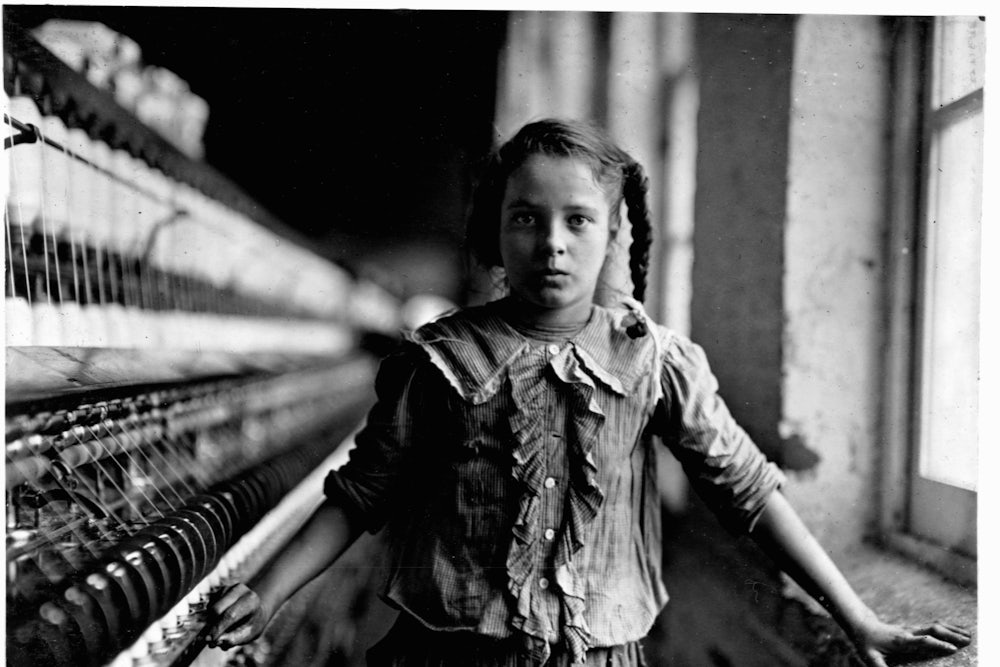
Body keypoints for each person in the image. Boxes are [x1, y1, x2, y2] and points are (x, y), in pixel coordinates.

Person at [205, 119, 972, 666]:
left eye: (579, 219)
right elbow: (360, 494)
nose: (553, 243)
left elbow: (748, 491)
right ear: (494, 231)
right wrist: (267, 594)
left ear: (612, 234)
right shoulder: (438, 360)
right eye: (526, 219)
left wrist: (860, 619)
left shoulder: (654, 361)